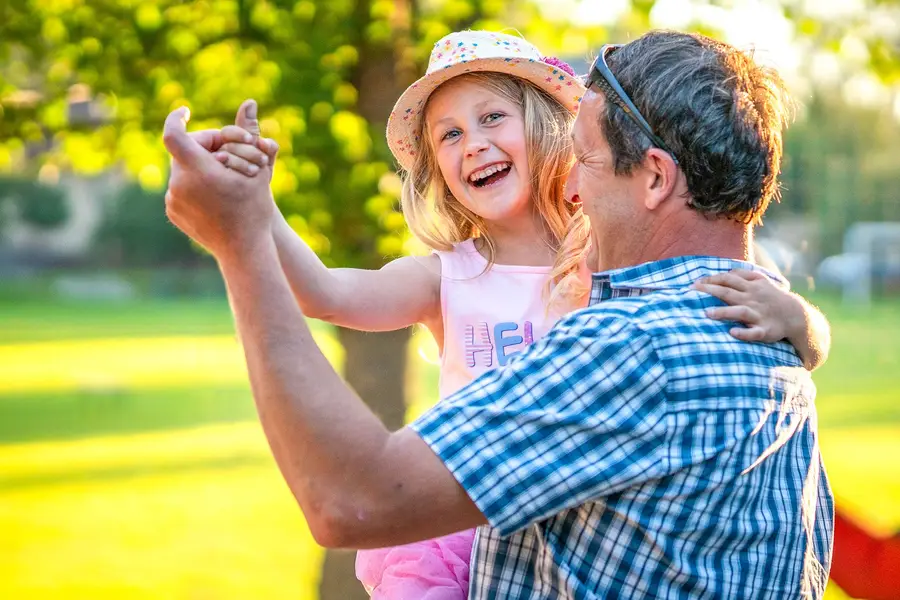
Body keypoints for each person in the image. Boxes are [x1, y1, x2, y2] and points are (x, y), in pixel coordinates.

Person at [162, 29, 833, 599]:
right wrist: (256, 211)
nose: (472, 144)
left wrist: (802, 321)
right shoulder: (453, 275)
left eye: (491, 119)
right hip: (466, 522)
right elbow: (328, 294)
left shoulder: (616, 288)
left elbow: (350, 500)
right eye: (448, 135)